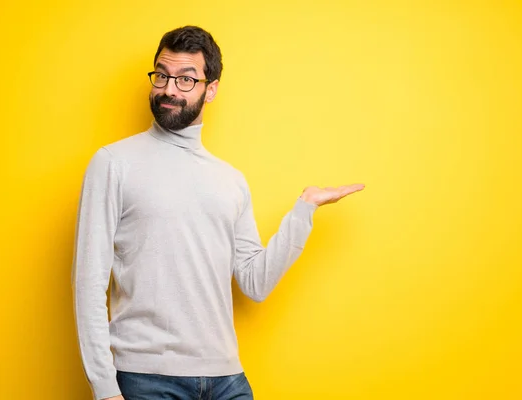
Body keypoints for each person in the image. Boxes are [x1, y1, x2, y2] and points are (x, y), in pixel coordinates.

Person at [71, 25, 365, 400]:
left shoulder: (230, 180)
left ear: (210, 89)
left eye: (185, 79)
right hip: (147, 378)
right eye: (161, 75)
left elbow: (254, 283)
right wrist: (104, 387)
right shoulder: (113, 163)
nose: (169, 89)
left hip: (227, 379)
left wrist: (304, 210)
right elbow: (88, 282)